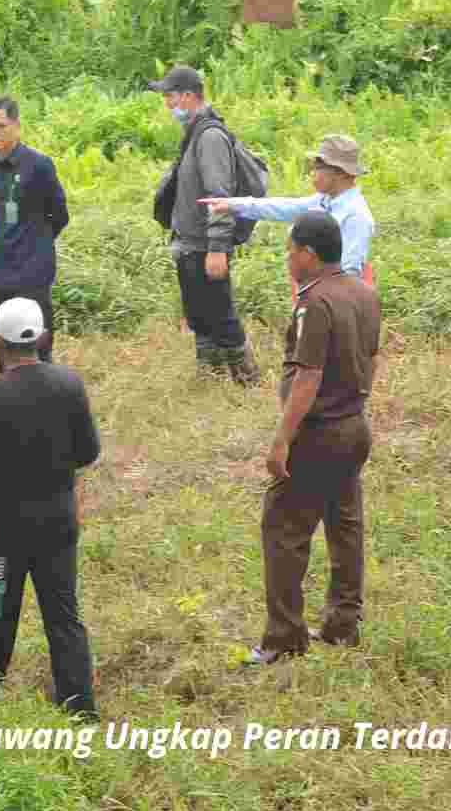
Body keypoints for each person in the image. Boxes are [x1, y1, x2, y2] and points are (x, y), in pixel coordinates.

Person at [0, 298, 100, 718]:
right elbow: (88, 453)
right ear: (43, 338)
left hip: (3, 536)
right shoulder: (69, 384)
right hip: (58, 525)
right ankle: (81, 709)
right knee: (63, 615)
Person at [246, 212, 381, 665]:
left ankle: (284, 637)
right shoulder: (364, 293)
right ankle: (343, 624)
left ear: (307, 253)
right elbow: (372, 359)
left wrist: (282, 439)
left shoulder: (314, 301)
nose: (287, 258)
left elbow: (308, 376)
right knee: (345, 525)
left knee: (283, 529)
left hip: (318, 433)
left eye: (290, 250)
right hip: (354, 426)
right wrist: (354, 401)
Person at [149, 65, 259, 384]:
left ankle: (247, 380)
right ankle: (211, 379)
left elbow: (219, 195)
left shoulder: (209, 137)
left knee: (221, 315)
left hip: (205, 245)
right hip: (190, 243)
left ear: (187, 96)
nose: (167, 104)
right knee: (199, 314)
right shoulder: (195, 131)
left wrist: (217, 248)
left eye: (169, 97)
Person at [199, 133, 376, 282]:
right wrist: (233, 204)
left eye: (318, 168)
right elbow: (284, 207)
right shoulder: (324, 201)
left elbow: (349, 275)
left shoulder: (355, 216)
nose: (313, 174)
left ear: (340, 172)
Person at [0, 95, 69, 371]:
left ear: (17, 126)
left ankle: (45, 388)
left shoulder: (39, 164)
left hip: (32, 269)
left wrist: (36, 242)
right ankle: (8, 390)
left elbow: (60, 215)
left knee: (37, 341)